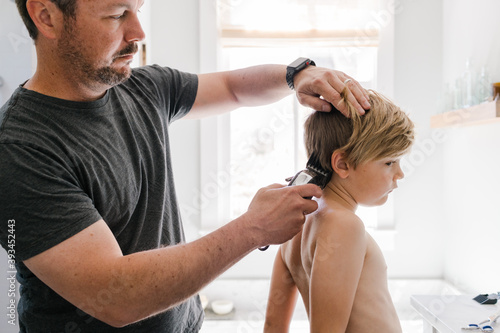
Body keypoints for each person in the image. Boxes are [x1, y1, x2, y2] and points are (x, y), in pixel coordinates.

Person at [0, 0, 370, 332]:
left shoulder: (142, 88)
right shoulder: (20, 150)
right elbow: (114, 297)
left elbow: (231, 87)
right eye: (116, 16)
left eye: (138, 10)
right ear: (46, 16)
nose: (138, 33)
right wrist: (253, 228)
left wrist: (297, 75)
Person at [264, 89, 415, 333]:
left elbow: (273, 326)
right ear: (342, 164)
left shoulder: (295, 223)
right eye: (389, 162)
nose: (400, 174)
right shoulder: (345, 225)